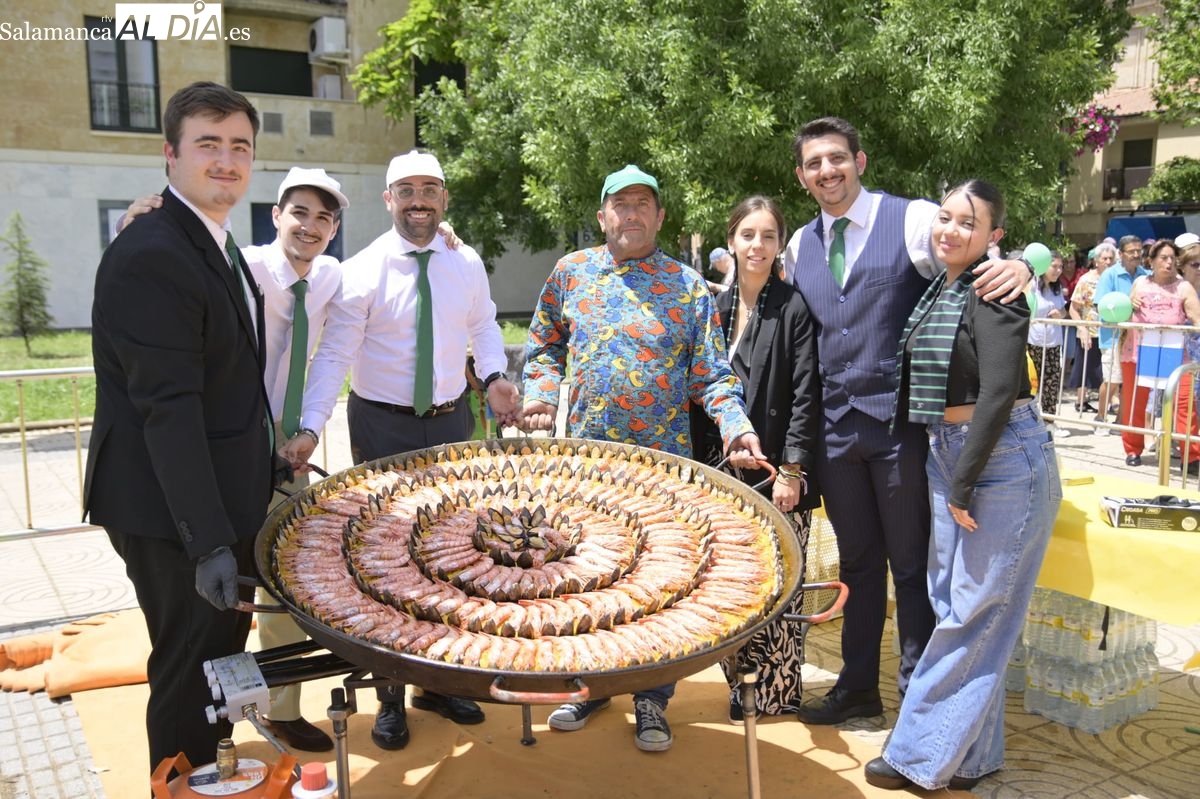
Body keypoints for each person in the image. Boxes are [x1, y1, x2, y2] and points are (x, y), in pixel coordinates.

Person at [782, 116, 1031, 725]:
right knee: (859, 565)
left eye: (837, 158)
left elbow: (967, 241)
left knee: (913, 566)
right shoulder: (798, 246)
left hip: (901, 428)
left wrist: (1023, 261)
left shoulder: (912, 218)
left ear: (859, 162)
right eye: (814, 164)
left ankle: (918, 703)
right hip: (836, 433)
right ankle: (857, 690)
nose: (827, 171)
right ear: (802, 176)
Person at [280, 149, 521, 752]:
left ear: (444, 198)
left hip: (451, 423)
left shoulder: (465, 261)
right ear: (389, 199)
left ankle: (442, 681)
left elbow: (484, 324)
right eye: (406, 190)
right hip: (381, 427)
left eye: (429, 189)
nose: (419, 201)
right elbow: (334, 355)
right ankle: (390, 694)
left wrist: (494, 375)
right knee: (386, 562)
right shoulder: (361, 270)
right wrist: (310, 426)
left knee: (453, 553)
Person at [521, 164, 765, 752]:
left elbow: (712, 375)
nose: (631, 214)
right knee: (587, 578)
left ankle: (652, 699)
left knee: (656, 586)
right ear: (602, 216)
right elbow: (544, 346)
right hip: (584, 470)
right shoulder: (571, 273)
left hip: (660, 472)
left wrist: (736, 427)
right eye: (620, 204)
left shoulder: (687, 287)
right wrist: (540, 396)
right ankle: (590, 685)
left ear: (659, 217)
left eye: (642, 204)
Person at [115, 167, 352, 751]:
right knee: (222, 599)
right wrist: (133, 227)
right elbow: (163, 281)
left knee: (289, 585)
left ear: (333, 229)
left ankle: (280, 708)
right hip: (228, 449)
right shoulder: (238, 267)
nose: (310, 226)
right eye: (299, 212)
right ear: (276, 216)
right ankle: (201, 727)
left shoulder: (331, 277)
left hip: (289, 448)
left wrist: (308, 429)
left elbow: (330, 359)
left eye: (324, 218)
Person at [84, 82, 272, 772]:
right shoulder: (155, 253)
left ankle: (210, 774)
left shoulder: (209, 239)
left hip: (212, 499)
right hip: (172, 516)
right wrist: (208, 542)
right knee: (189, 668)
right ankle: (177, 783)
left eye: (239, 147)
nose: (226, 160)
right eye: (207, 145)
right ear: (170, 154)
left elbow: (224, 378)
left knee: (216, 663)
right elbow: (169, 409)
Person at [865, 179, 1059, 791]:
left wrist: (963, 483)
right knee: (960, 609)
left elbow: (999, 391)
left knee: (973, 614)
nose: (950, 230)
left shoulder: (994, 288)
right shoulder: (940, 286)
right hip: (948, 452)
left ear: (993, 235)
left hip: (999, 460)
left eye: (967, 223)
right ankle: (972, 758)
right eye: (944, 217)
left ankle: (916, 756)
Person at [689, 196, 822, 722]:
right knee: (731, 583)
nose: (757, 245)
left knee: (780, 586)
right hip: (721, 473)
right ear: (732, 240)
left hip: (776, 471)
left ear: (779, 243)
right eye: (748, 234)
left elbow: (807, 395)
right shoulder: (714, 309)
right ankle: (738, 685)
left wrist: (792, 470)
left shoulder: (793, 308)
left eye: (768, 236)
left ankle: (777, 692)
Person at [1119, 239, 1200, 466]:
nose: (1169, 263)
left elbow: (1196, 318)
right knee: (1135, 402)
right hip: (1139, 351)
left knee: (1184, 403)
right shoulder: (1140, 283)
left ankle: (1191, 456)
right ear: (1151, 261)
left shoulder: (1184, 287)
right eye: (1163, 258)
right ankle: (1133, 449)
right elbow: (1124, 311)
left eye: (1172, 258)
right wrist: (1129, 301)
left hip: (1174, 353)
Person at [1093, 235, 1147, 432]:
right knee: (1112, 380)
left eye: (1139, 251)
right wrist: (1127, 303)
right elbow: (1099, 305)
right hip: (1113, 336)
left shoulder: (1145, 275)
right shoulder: (1110, 275)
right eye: (1132, 251)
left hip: (1136, 337)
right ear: (1121, 254)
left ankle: (1120, 421)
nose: (1136, 254)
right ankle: (1100, 418)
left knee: (1129, 382)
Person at [1067, 243, 1115, 417]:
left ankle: (1111, 402)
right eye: (1104, 258)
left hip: (1112, 332)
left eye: (1111, 258)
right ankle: (1081, 401)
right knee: (1084, 367)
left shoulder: (1115, 279)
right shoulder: (1086, 280)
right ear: (1096, 261)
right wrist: (1081, 328)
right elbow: (1073, 308)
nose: (1108, 262)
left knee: (1111, 370)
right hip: (1090, 330)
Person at [1028, 252, 1067, 437]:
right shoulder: (1032, 286)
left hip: (1053, 343)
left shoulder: (1057, 288)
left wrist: (1060, 314)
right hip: (1033, 342)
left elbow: (1064, 310)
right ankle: (1029, 421)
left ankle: (1049, 422)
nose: (1058, 271)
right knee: (1031, 383)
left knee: (1052, 383)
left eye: (1060, 267)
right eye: (1054, 266)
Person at [1174, 235, 1200, 472]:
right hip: (1183, 358)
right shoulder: (1175, 289)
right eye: (1195, 264)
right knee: (1186, 408)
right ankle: (1190, 456)